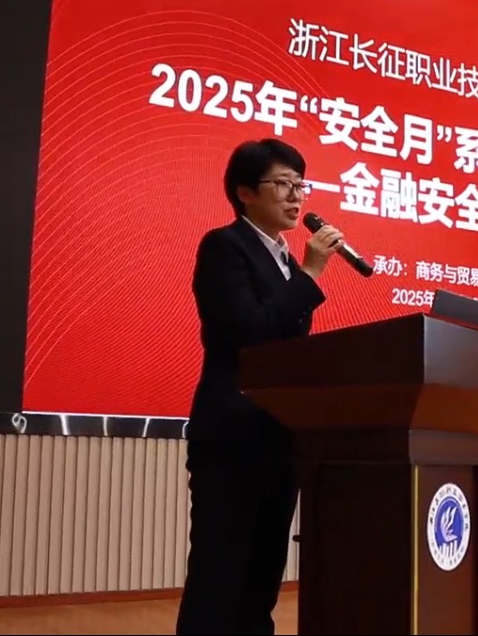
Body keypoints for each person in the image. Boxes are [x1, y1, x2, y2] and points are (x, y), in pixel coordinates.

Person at [176, 138, 345, 635]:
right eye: (283, 184)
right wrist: (311, 273)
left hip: (280, 436)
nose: (296, 197)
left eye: (301, 185)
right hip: (233, 436)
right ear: (245, 192)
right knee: (220, 573)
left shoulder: (285, 262)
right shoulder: (224, 246)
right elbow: (249, 332)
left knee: (262, 576)